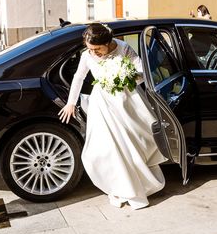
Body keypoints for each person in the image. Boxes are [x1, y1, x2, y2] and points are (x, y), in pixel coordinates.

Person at [58, 23, 166, 209]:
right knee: (108, 149)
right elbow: (78, 77)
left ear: (108, 42)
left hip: (127, 102)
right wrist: (71, 102)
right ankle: (119, 186)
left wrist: (124, 77)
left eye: (97, 49)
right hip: (102, 106)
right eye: (90, 48)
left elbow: (141, 74)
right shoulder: (87, 55)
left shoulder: (124, 48)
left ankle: (140, 185)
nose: (93, 52)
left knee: (133, 144)